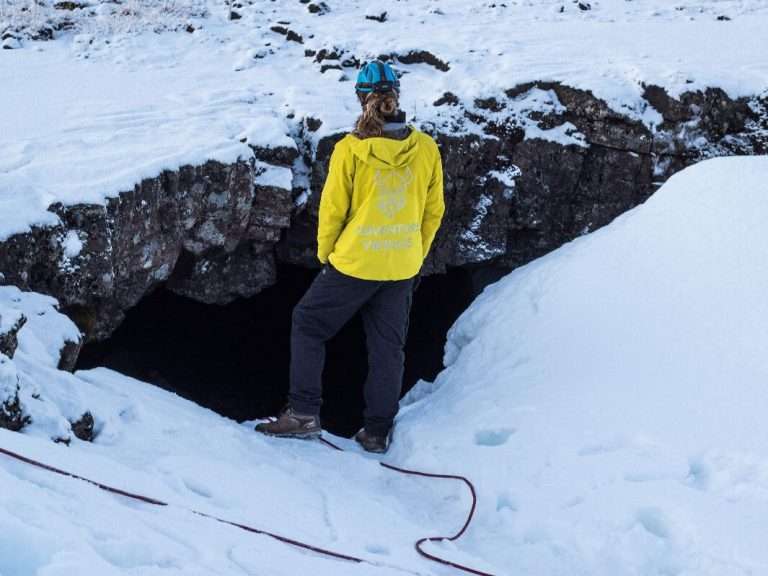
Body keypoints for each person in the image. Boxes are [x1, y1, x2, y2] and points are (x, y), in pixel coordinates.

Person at [256, 60, 445, 453]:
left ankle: (304, 413)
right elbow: (433, 211)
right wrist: (415, 253)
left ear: (361, 98)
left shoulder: (351, 150)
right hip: (401, 265)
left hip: (355, 262)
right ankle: (376, 432)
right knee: (387, 348)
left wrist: (328, 255)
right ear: (397, 95)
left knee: (308, 323)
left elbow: (333, 211)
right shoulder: (425, 148)